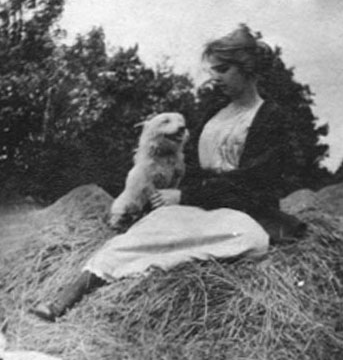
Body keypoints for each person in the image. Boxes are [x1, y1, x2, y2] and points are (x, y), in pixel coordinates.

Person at [30, 24, 307, 321]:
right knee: (144, 233)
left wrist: (185, 195)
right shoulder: (213, 115)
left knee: (250, 239)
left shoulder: (270, 117)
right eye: (214, 70)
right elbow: (191, 171)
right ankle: (64, 299)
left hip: (244, 213)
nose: (216, 77)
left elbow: (256, 183)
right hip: (200, 208)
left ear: (248, 68)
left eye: (224, 69)